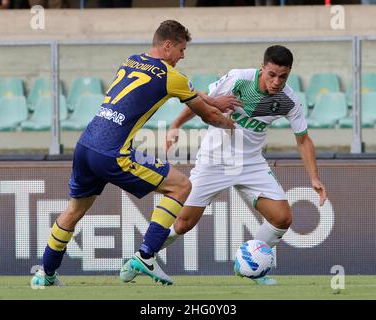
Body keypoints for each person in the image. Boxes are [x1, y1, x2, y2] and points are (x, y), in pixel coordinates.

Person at [31, 20, 237, 287]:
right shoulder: (171, 76)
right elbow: (207, 115)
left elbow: (183, 90)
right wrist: (232, 125)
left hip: (85, 146)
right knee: (181, 186)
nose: (182, 56)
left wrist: (212, 99)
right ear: (167, 46)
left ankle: (45, 274)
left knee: (74, 210)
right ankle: (146, 255)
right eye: (182, 50)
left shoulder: (131, 61)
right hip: (113, 152)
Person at [121, 45, 327, 285]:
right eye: (272, 74)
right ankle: (142, 257)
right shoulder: (239, 80)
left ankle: (251, 266)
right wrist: (176, 124)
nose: (276, 82)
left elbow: (303, 139)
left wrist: (314, 177)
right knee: (183, 223)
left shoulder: (288, 100)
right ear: (262, 67)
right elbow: (199, 101)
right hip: (214, 161)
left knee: (282, 218)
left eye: (283, 76)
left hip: (251, 163)